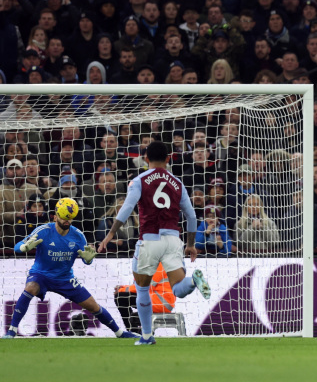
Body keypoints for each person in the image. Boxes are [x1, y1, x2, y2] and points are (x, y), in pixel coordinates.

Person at [97, 141, 211, 346]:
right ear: (168, 159)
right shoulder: (178, 183)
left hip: (149, 240)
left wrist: (110, 234)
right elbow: (192, 217)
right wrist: (191, 244)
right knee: (177, 288)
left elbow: (126, 209)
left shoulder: (139, 180)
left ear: (146, 159)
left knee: (142, 289)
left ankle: (147, 336)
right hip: (173, 240)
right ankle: (194, 281)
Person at [4, 198, 138, 339]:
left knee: (93, 306)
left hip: (65, 278)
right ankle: (12, 331)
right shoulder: (43, 231)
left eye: (70, 218)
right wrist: (24, 247)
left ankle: (119, 333)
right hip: (41, 275)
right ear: (55, 216)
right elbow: (17, 246)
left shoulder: (78, 236)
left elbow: (88, 261)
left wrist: (88, 259)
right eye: (63, 217)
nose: (67, 221)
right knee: (30, 287)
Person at [114, 263, 175, 334]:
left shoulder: (158, 265)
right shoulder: (152, 264)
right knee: (121, 297)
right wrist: (123, 288)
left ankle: (134, 331)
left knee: (120, 297)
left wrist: (122, 290)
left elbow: (144, 285)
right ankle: (136, 331)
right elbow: (139, 285)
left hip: (161, 302)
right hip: (157, 300)